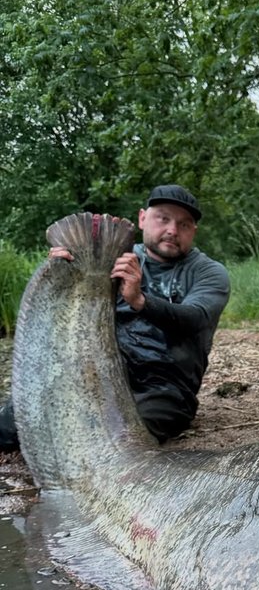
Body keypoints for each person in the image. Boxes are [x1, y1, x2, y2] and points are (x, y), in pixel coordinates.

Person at [0, 184, 230, 449]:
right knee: (11, 423)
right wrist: (60, 275)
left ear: (194, 231)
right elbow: (64, 319)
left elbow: (196, 318)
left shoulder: (209, 272)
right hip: (96, 377)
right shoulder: (111, 257)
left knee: (112, 441)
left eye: (184, 224)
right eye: (163, 218)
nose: (172, 230)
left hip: (162, 389)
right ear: (143, 218)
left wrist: (140, 301)